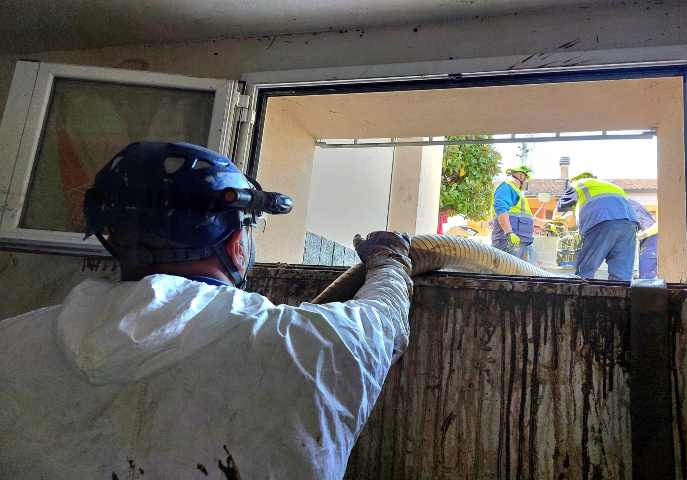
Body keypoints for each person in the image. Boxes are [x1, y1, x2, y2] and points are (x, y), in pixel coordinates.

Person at [0, 142, 413, 479]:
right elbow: (386, 318)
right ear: (235, 242)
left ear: (113, 237)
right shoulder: (315, 345)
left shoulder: (12, 342)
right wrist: (390, 256)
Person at [556, 172, 638, 281]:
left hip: (601, 221)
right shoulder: (613, 187)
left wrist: (557, 220)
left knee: (585, 271)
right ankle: (618, 298)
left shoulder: (578, 184)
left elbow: (562, 206)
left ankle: (581, 297)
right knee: (621, 275)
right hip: (629, 224)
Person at [491, 165, 538, 260]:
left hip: (518, 243)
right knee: (507, 272)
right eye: (527, 179)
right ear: (521, 176)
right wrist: (509, 233)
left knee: (518, 272)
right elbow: (501, 208)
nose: (527, 182)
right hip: (509, 242)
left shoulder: (517, 193)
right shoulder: (507, 187)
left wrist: (547, 224)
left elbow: (528, 218)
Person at [628, 198, 659, 279]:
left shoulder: (628, 206)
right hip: (649, 240)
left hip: (650, 241)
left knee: (647, 278)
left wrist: (640, 235)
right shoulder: (632, 205)